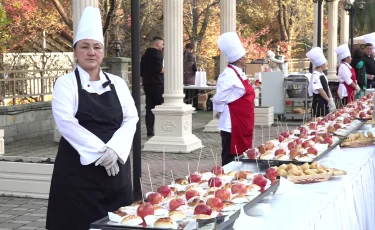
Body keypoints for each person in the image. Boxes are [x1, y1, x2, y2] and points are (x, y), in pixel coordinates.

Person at [46, 7, 138, 230]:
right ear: (75, 51)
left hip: (116, 167)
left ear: (103, 52)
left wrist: (114, 150)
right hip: (78, 171)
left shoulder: (117, 83)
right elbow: (66, 123)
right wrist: (100, 150)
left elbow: (131, 118)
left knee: (118, 222)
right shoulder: (65, 83)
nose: (91, 52)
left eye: (96, 47)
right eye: (84, 47)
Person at [213, 32, 254, 166]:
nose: (246, 58)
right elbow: (220, 97)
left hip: (243, 122)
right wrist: (218, 111)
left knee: (242, 155)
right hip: (233, 123)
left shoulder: (239, 73)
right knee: (230, 157)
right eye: (245, 57)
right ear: (240, 59)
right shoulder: (228, 74)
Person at [141, 37, 164, 139]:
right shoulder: (157, 54)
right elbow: (159, 69)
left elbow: (141, 72)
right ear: (158, 44)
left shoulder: (144, 55)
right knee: (161, 108)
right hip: (157, 84)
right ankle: (161, 131)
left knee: (149, 109)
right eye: (162, 44)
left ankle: (149, 133)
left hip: (147, 84)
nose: (163, 47)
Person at [306, 47, 336, 117]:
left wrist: (331, 99)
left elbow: (327, 88)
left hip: (325, 101)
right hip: (318, 102)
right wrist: (328, 100)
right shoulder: (315, 75)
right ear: (322, 65)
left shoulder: (322, 74)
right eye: (325, 63)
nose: (326, 64)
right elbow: (320, 90)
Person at [183, 43, 199, 110]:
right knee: (188, 93)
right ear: (186, 49)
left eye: (191, 49)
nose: (190, 51)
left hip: (191, 77)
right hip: (185, 77)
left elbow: (194, 67)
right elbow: (194, 67)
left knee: (191, 93)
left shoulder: (192, 56)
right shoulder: (185, 56)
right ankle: (190, 106)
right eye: (189, 49)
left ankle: (192, 106)